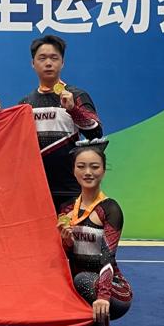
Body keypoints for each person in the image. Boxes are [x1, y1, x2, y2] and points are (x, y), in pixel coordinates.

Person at [55, 139, 132, 326]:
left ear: (103, 171)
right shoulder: (66, 209)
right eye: (81, 166)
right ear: (73, 171)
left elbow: (108, 256)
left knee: (84, 280)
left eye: (94, 167)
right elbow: (66, 257)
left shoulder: (110, 208)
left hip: (112, 288)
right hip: (78, 285)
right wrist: (66, 241)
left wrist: (104, 296)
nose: (88, 172)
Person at [20, 34, 102, 209]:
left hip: (71, 189)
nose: (48, 63)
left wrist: (73, 109)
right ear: (33, 63)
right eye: (42, 58)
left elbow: (95, 133)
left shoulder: (77, 96)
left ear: (62, 62)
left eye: (54, 58)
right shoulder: (25, 104)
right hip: (36, 189)